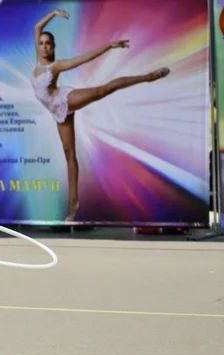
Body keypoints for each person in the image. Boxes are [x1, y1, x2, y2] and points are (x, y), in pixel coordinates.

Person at [31, 9, 170, 221]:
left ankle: (148, 77)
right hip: (56, 112)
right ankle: (74, 203)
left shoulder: (55, 66)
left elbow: (83, 59)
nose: (44, 46)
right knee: (69, 155)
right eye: (41, 43)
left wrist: (108, 46)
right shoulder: (38, 60)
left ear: (53, 48)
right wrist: (53, 13)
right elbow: (37, 27)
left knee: (101, 90)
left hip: (63, 100)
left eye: (48, 44)